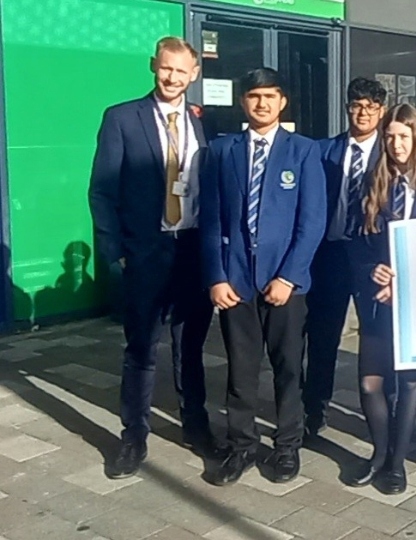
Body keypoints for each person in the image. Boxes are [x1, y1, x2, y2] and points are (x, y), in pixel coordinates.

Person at [89, 37, 220, 479]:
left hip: (191, 250)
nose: (172, 78)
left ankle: (195, 426)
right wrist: (117, 252)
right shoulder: (122, 118)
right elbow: (103, 190)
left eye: (181, 72)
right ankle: (133, 437)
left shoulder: (202, 122)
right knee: (141, 348)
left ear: (194, 74)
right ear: (153, 66)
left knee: (191, 347)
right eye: (166, 69)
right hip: (145, 252)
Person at [199, 68, 326, 486]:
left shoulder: (303, 152)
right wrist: (217, 276)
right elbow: (211, 218)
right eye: (254, 96)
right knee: (241, 370)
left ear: (282, 101)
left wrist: (289, 276)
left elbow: (312, 223)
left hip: (284, 284)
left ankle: (288, 446)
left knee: (289, 367)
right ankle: (242, 447)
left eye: (270, 96)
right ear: (243, 102)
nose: (262, 104)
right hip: (236, 282)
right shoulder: (222, 151)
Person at [346, 103, 416, 494]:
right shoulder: (371, 184)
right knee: (370, 384)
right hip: (378, 299)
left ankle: (396, 463)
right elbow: (355, 244)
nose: (396, 144)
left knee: (409, 384)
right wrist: (370, 271)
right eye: (390, 136)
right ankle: (379, 452)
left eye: (403, 136)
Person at [303, 77, 386, 437]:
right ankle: (313, 410)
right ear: (347, 108)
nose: (363, 112)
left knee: (375, 337)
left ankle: (380, 415)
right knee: (323, 337)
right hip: (331, 254)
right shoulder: (323, 151)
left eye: (370, 106)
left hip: (371, 256)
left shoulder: (391, 153)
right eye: (356, 105)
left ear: (381, 111)